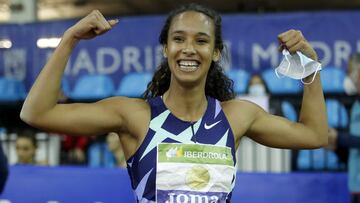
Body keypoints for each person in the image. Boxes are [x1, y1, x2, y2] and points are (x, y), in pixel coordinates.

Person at [20, 3, 328, 202]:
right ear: (166, 49)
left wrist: (309, 67)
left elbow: (314, 135)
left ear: (216, 52)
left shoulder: (237, 116)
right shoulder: (135, 116)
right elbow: (36, 112)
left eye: (201, 41)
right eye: (179, 39)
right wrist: (70, 39)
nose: (189, 49)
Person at [327, 53, 360, 203]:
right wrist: (336, 147)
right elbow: (353, 153)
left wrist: (338, 137)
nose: (349, 77)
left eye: (351, 71)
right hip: (355, 186)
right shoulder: (356, 105)